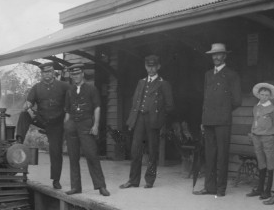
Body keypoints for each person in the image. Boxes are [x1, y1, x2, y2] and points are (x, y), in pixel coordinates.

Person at [194, 43, 242, 197]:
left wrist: (223, 111)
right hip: (208, 121)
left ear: (225, 56)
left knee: (222, 156)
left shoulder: (232, 74)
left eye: (219, 54)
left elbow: (237, 100)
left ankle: (220, 189)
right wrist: (203, 119)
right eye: (213, 55)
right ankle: (209, 187)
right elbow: (205, 99)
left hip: (223, 121)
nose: (216, 57)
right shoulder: (208, 74)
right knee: (210, 155)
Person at [120, 55, 175, 189]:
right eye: (148, 66)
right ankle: (133, 180)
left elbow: (169, 106)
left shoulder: (163, 83)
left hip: (153, 120)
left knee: (152, 150)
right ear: (145, 67)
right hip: (139, 119)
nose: (151, 69)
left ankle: (149, 180)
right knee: (135, 150)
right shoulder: (141, 82)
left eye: (153, 66)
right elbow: (135, 102)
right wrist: (133, 118)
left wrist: (159, 120)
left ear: (158, 67)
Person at [15, 61, 70, 190]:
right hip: (41, 119)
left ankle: (56, 180)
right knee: (24, 114)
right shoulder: (36, 88)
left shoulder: (63, 86)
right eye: (44, 72)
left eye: (49, 72)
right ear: (41, 74)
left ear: (53, 73)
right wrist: (28, 108)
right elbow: (28, 102)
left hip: (56, 123)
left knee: (56, 151)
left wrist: (67, 117)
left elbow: (73, 100)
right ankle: (18, 140)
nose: (47, 74)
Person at [63, 63, 110, 196]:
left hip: (86, 125)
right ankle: (76, 187)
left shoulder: (91, 89)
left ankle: (101, 186)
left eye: (77, 74)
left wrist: (95, 125)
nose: (75, 77)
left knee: (92, 155)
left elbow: (97, 108)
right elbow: (67, 110)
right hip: (72, 126)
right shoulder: (69, 91)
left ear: (82, 74)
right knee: (73, 157)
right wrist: (66, 126)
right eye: (73, 75)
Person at [246, 83, 274, 200]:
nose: (264, 97)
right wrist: (252, 133)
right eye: (262, 94)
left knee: (270, 163)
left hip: (268, 138)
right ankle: (260, 188)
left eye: (267, 95)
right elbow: (254, 121)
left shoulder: (273, 109)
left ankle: (268, 190)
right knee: (261, 162)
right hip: (256, 137)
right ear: (258, 95)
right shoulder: (256, 107)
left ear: (270, 96)